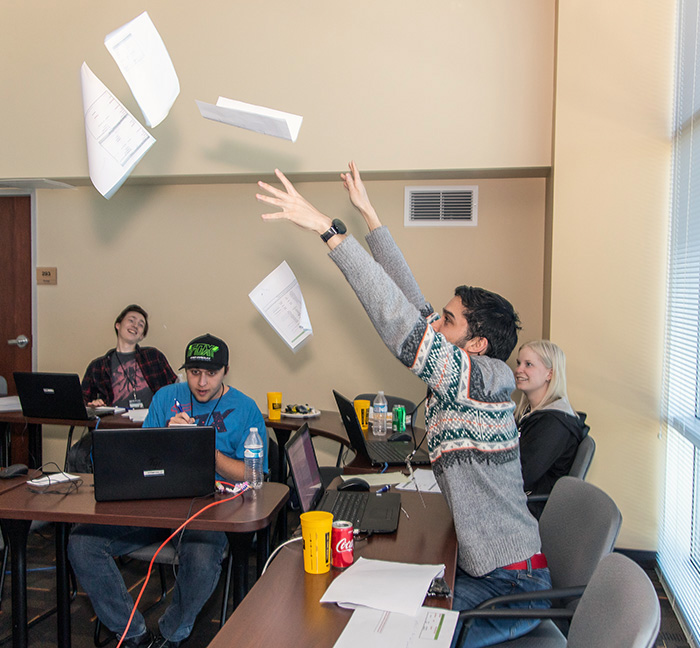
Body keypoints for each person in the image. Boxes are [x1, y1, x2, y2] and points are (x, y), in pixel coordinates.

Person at [256, 162, 552, 647]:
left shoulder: (481, 380)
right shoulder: (465, 372)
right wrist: (370, 217)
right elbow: (413, 306)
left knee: (397, 637)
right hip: (489, 571)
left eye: (449, 321)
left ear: (475, 344)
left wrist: (328, 231)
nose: (436, 322)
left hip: (512, 586)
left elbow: (403, 326)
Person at [68, 334, 267, 648]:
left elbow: (255, 476)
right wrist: (169, 441)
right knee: (82, 543)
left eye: (211, 374)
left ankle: (172, 633)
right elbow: (144, 458)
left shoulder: (246, 409)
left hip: (209, 510)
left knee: (201, 560)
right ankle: (133, 634)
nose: (201, 382)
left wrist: (204, 448)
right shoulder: (165, 397)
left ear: (225, 371)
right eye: (193, 372)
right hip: (157, 504)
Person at [514, 340, 589, 517]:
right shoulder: (529, 412)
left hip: (531, 509)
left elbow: (521, 477)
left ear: (549, 374)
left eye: (528, 364)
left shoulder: (553, 425)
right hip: (524, 498)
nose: (518, 370)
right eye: (519, 363)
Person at [81, 304, 177, 409]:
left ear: (141, 335)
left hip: (150, 422)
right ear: (118, 325)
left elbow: (175, 390)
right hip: (112, 422)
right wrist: (94, 404)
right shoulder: (97, 366)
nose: (135, 326)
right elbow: (83, 401)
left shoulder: (153, 356)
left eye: (141, 325)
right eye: (131, 320)